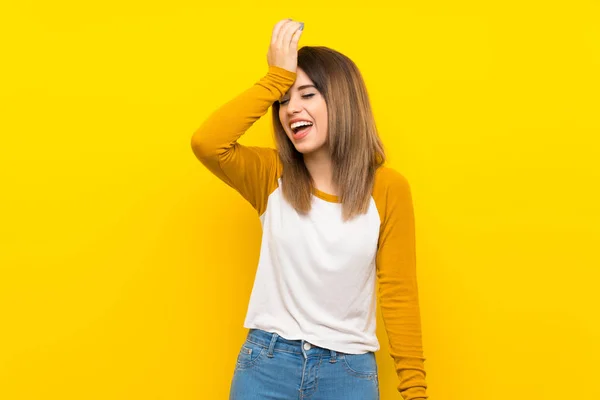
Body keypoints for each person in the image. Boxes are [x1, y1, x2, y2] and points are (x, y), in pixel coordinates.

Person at [191, 18, 428, 400]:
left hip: (348, 373)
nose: (290, 109)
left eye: (307, 94)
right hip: (266, 365)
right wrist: (274, 79)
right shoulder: (270, 176)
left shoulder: (387, 189)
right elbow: (208, 142)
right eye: (284, 100)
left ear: (341, 99)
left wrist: (415, 390)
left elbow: (399, 293)